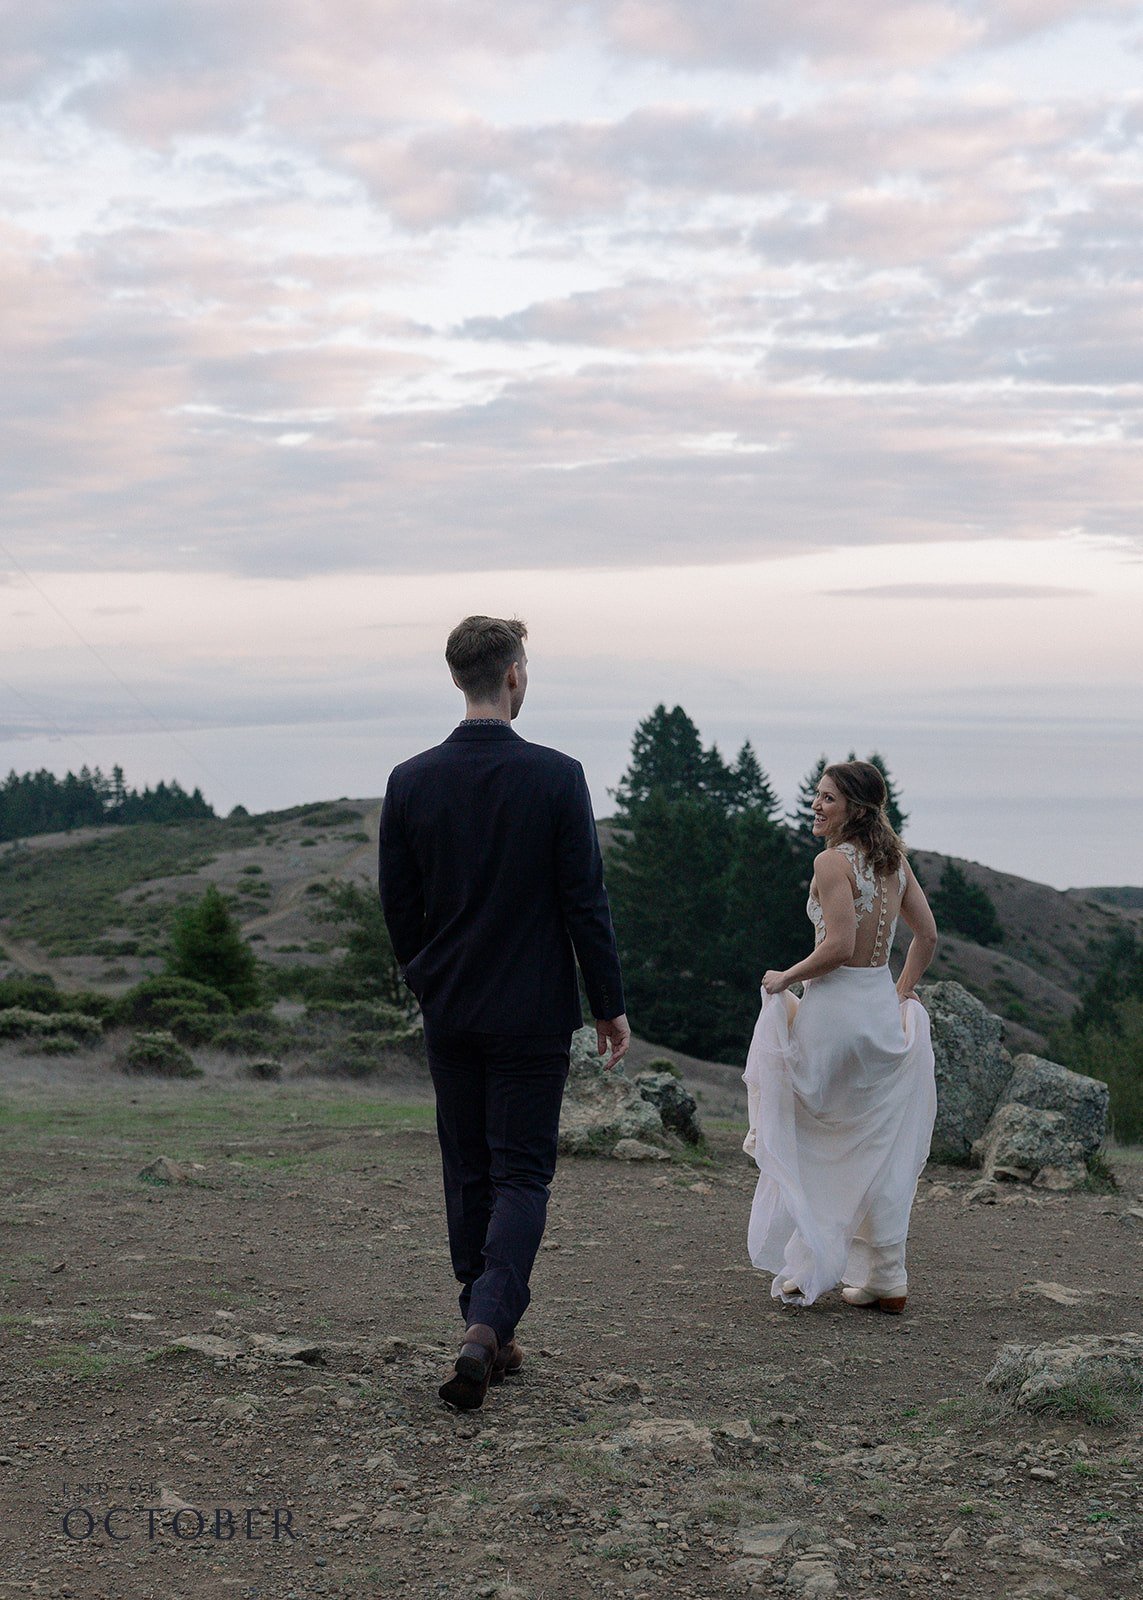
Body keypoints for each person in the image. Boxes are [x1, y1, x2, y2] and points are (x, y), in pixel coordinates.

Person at [378, 615, 630, 1408]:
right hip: (531, 1013)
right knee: (521, 1173)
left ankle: (485, 1328)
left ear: (459, 678)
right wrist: (608, 1007)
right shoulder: (557, 777)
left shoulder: (410, 780)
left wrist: (426, 978)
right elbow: (584, 904)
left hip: (450, 1011)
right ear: (513, 676)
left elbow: (400, 906)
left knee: (468, 1167)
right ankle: (487, 1327)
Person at [742, 759, 938, 1313]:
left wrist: (785, 977)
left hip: (835, 1016)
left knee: (812, 1142)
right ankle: (887, 1278)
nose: (815, 805)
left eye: (827, 798)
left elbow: (839, 947)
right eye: (816, 795)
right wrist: (901, 990)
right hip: (876, 1012)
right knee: (871, 1145)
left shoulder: (831, 862)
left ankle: (813, 1262)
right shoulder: (893, 861)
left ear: (853, 807)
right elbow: (927, 933)